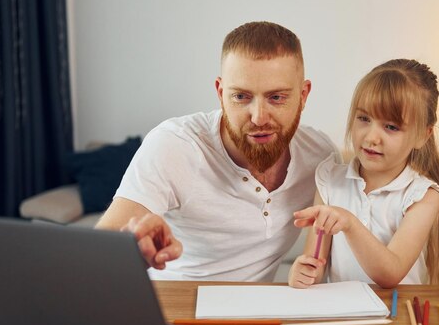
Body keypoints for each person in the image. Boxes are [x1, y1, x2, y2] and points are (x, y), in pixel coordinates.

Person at [96, 21, 337, 281]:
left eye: (276, 97)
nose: (258, 117)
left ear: (303, 95)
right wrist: (132, 248)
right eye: (241, 97)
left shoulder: (320, 157)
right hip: (173, 309)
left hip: (254, 317)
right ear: (221, 93)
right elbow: (94, 255)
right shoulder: (175, 145)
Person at [288, 59, 439, 289]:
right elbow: (315, 264)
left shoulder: (423, 196)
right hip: (344, 315)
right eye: (364, 119)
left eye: (391, 127)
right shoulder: (329, 180)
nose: (371, 137)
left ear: (423, 135)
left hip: (398, 315)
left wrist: (350, 223)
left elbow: (391, 273)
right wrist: (304, 272)